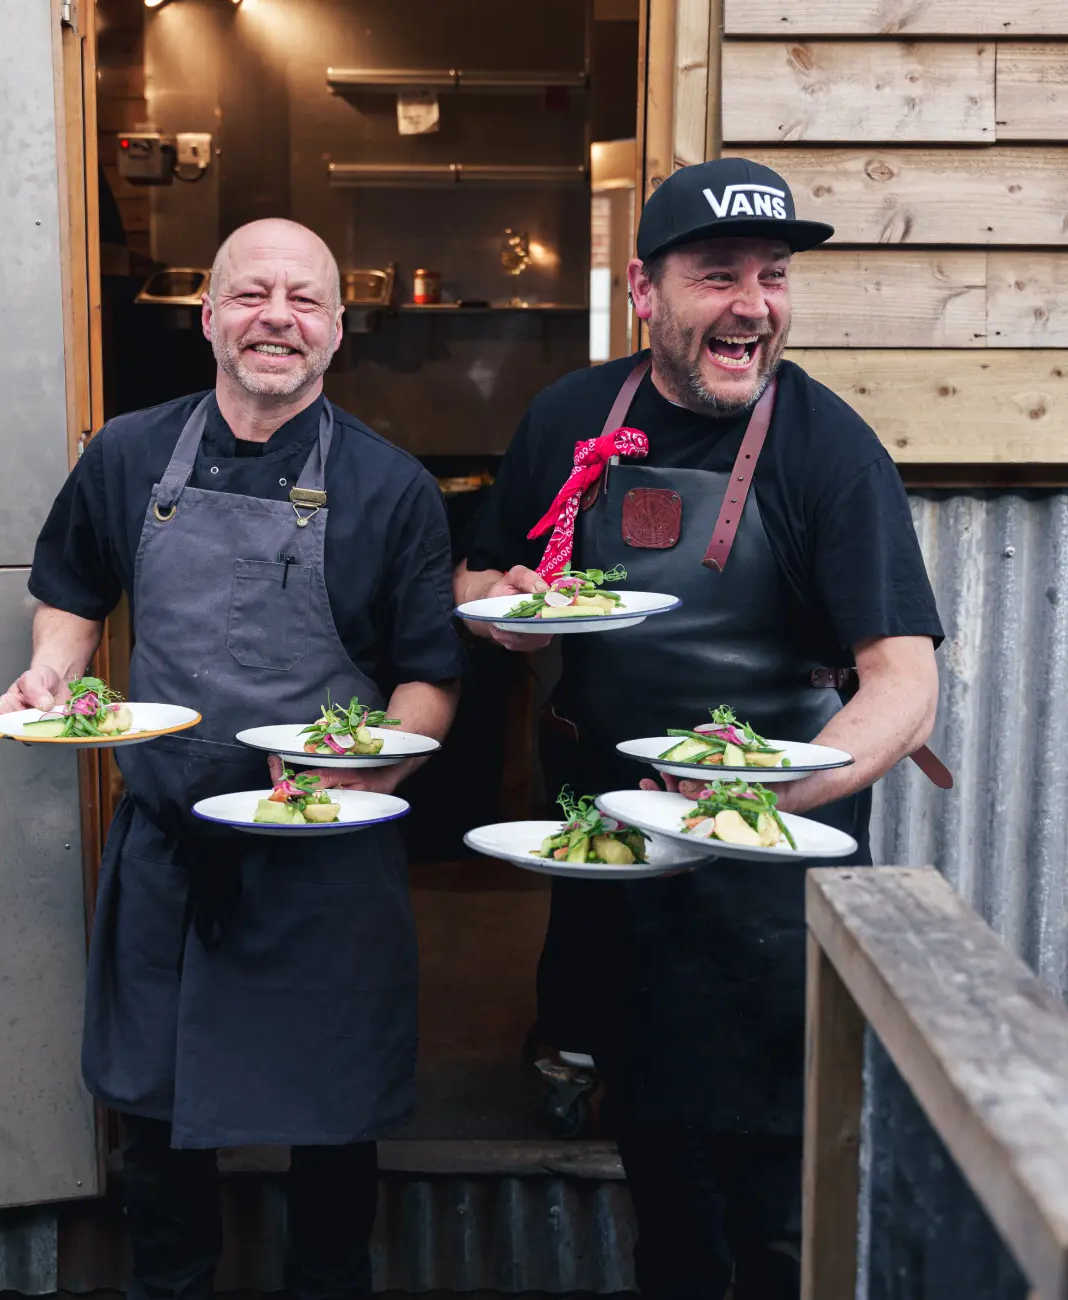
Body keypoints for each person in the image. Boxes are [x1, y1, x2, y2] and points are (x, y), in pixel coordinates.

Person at [454, 158, 944, 1299]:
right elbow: (477, 573)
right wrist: (505, 620)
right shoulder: (572, 415)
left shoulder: (830, 448)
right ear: (644, 290)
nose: (751, 303)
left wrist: (764, 799)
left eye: (770, 277)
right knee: (662, 1179)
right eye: (715, 273)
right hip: (619, 862)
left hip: (771, 884)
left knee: (775, 1208)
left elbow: (901, 686)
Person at [0, 218, 464, 1300]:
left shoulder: (393, 491)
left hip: (323, 862)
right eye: (252, 295)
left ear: (337, 332)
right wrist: (52, 674)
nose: (277, 320)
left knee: (334, 1125)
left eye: (305, 301)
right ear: (208, 317)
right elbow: (71, 588)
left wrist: (368, 780)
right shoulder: (125, 455)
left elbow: (430, 681)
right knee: (156, 1124)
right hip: (166, 848)